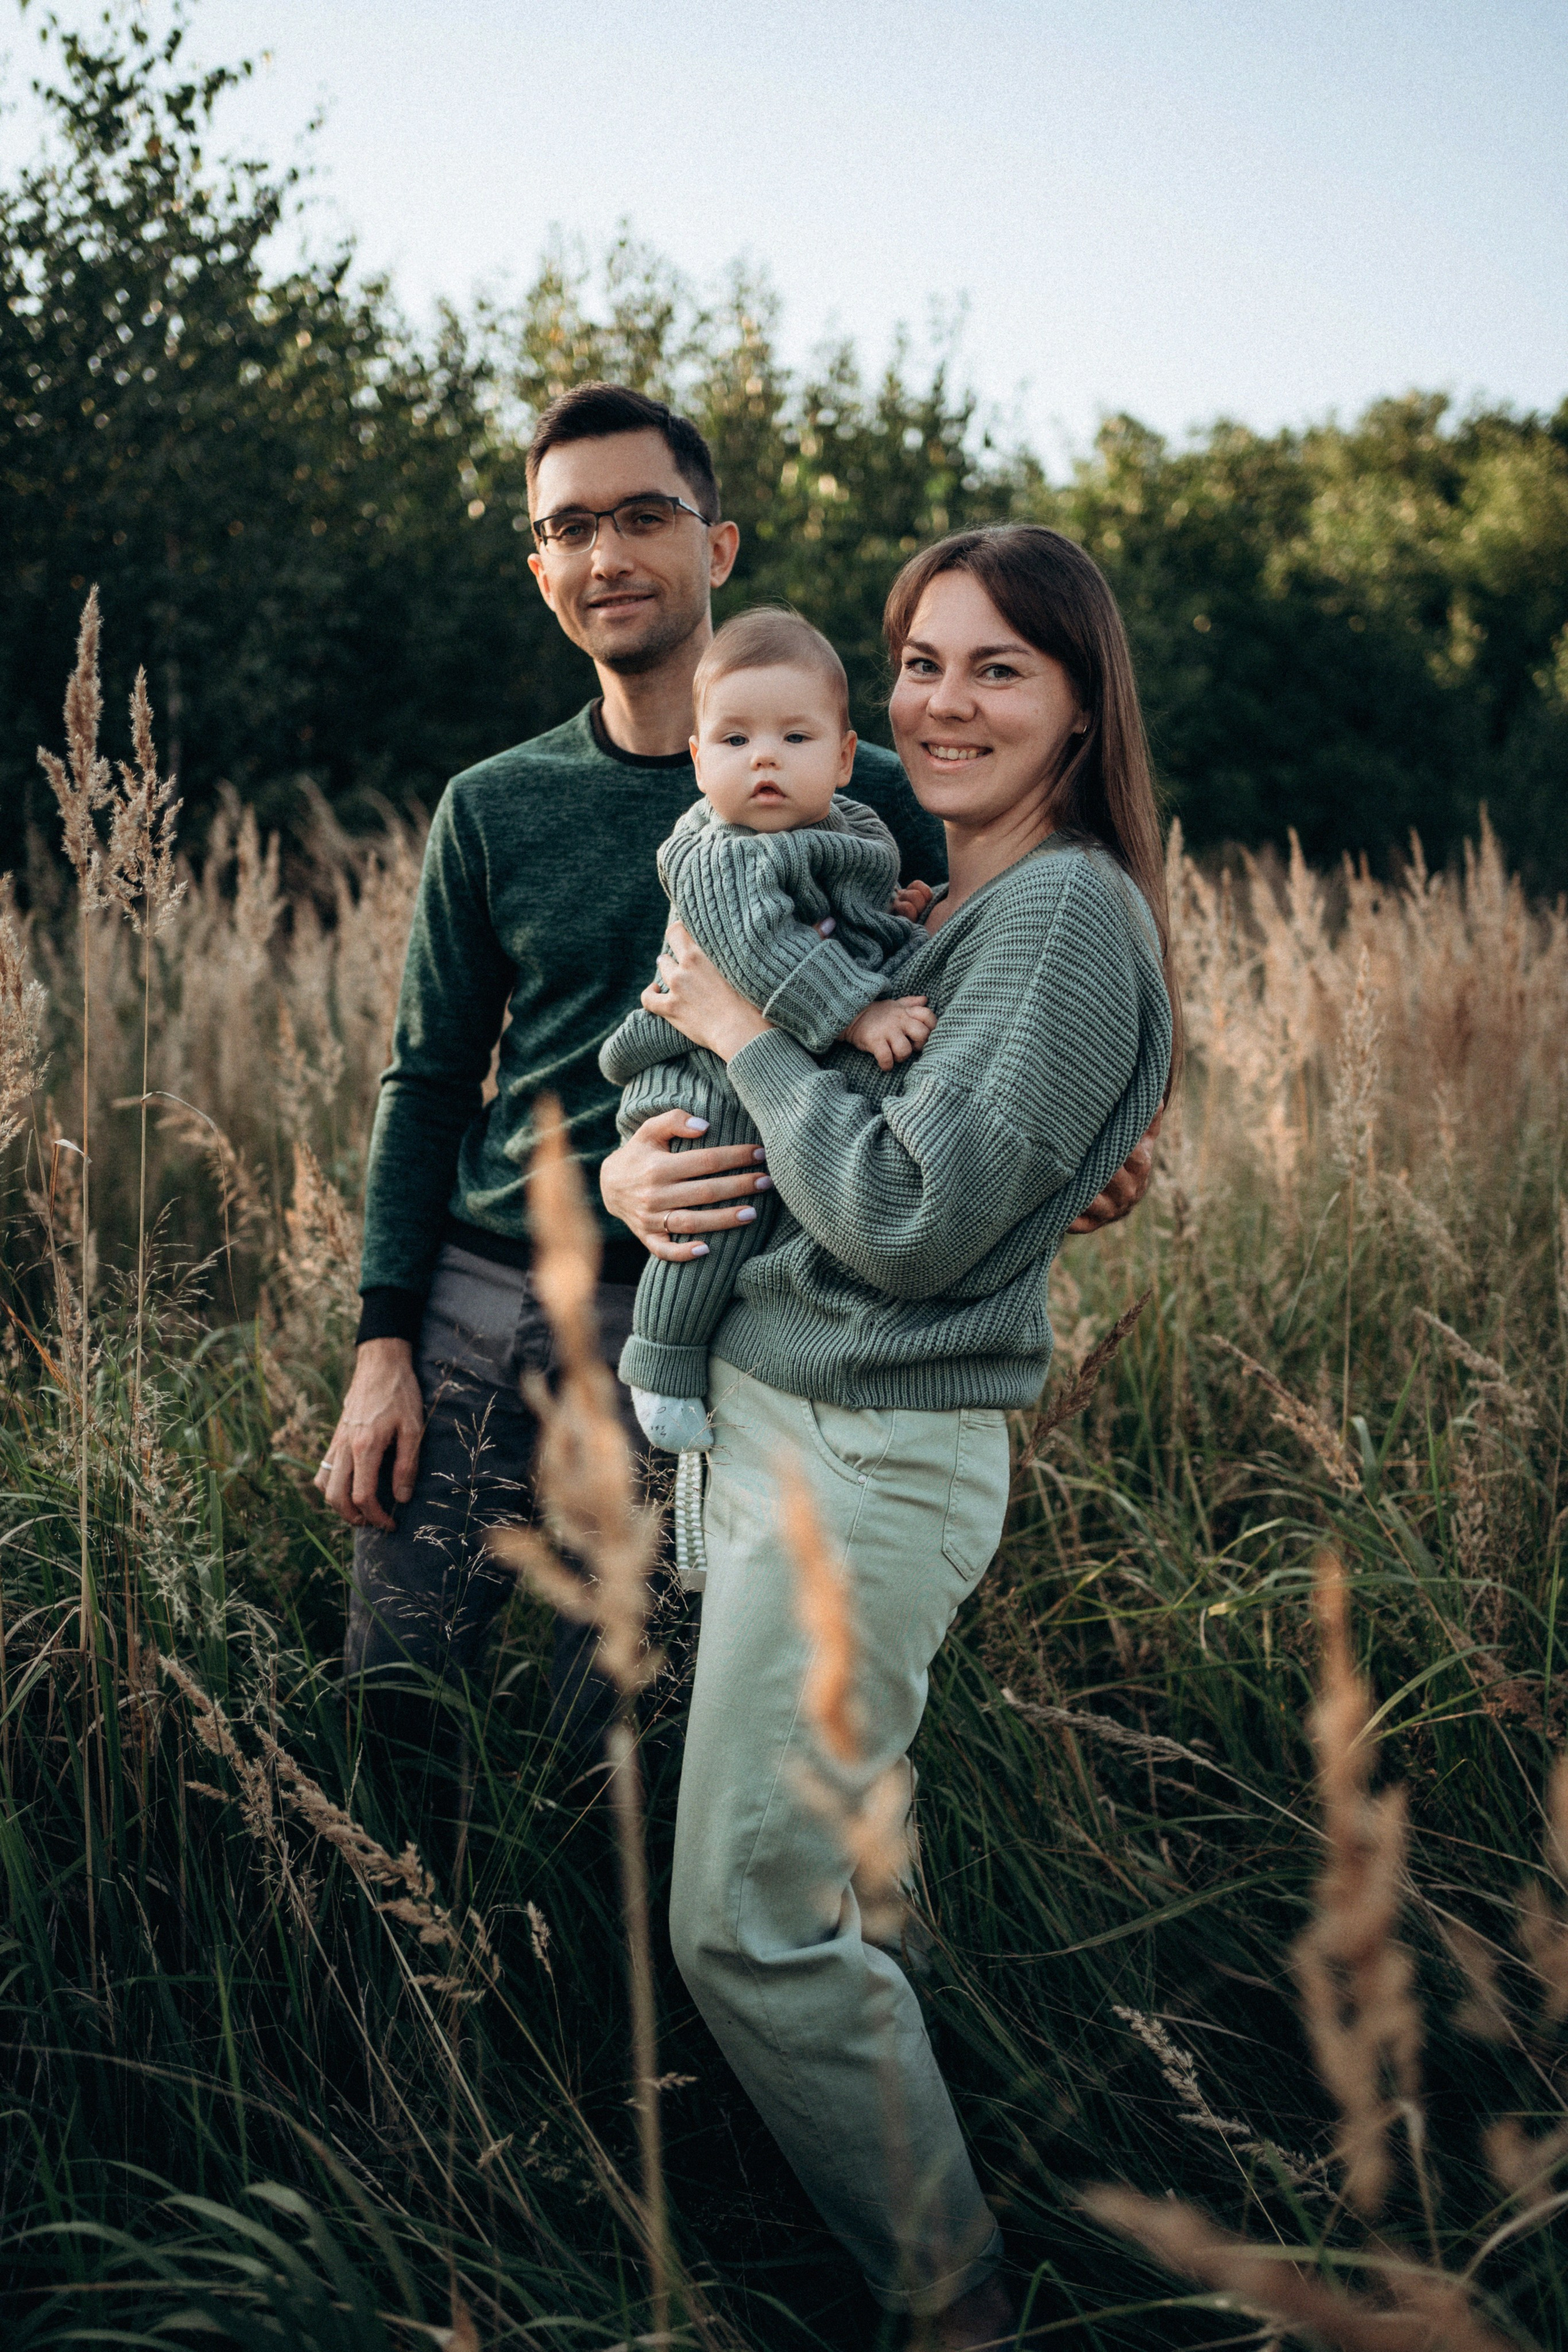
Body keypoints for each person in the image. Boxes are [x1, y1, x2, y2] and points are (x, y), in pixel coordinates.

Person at [317, 380, 1156, 1771]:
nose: (607, 555)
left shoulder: (871, 792)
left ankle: (617, 1920)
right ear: (539, 570)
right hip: (485, 1290)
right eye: (569, 528)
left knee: (624, 1741)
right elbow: (430, 1079)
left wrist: (1091, 1156)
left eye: (644, 515)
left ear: (716, 545)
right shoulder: (493, 805)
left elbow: (990, 1011)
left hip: (706, 1313)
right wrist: (380, 1343)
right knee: (395, 1703)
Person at [610, 523, 1176, 2346]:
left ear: (1080, 706)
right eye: (922, 661)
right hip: (796, 1434)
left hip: (862, 1460)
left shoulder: (1064, 912)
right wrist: (644, 1173)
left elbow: (910, 1222)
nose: (944, 702)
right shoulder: (936, 911)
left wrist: (742, 1037)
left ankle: (957, 2313)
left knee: (745, 1924)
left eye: (999, 668)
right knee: (829, 1897)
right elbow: (841, 1156)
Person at [601, 606, 939, 1457]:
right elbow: (764, 951)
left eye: (794, 737)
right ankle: (662, 1358)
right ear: (697, 760)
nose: (763, 758)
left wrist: (897, 917)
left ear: (844, 757)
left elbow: (846, 916)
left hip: (760, 1053)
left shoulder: (853, 829)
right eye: (735, 740)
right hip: (697, 1073)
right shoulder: (719, 854)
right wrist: (861, 1014)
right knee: (720, 1203)